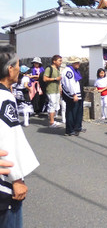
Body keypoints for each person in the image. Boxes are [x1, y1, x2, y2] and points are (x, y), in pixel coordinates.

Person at [0, 45, 39, 227]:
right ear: (10, 69)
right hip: (4, 183)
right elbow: (7, 140)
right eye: (17, 65)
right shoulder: (5, 98)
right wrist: (16, 178)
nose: (19, 69)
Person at [61, 56, 84, 136]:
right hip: (71, 94)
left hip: (78, 94)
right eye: (77, 62)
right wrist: (73, 94)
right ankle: (70, 129)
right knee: (71, 112)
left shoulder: (75, 71)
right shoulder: (68, 71)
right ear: (72, 63)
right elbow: (69, 84)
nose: (78, 64)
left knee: (78, 112)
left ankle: (77, 127)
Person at [43, 55, 63, 127]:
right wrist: (55, 79)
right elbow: (45, 79)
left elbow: (59, 80)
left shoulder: (57, 69)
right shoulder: (49, 68)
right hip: (51, 90)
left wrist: (60, 88)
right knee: (52, 105)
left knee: (55, 105)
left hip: (56, 90)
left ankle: (53, 120)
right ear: (54, 61)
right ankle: (51, 122)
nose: (61, 62)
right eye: (59, 60)